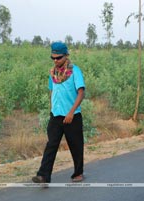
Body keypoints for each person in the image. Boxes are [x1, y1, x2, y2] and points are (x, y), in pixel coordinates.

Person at [32, 41, 85, 184]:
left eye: (58, 58)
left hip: (72, 116)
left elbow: (81, 93)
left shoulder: (75, 71)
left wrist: (71, 113)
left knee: (76, 145)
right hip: (56, 115)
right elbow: (52, 91)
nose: (55, 60)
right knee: (51, 145)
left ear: (66, 56)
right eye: (53, 58)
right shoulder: (52, 73)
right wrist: (52, 109)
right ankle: (43, 175)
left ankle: (78, 173)